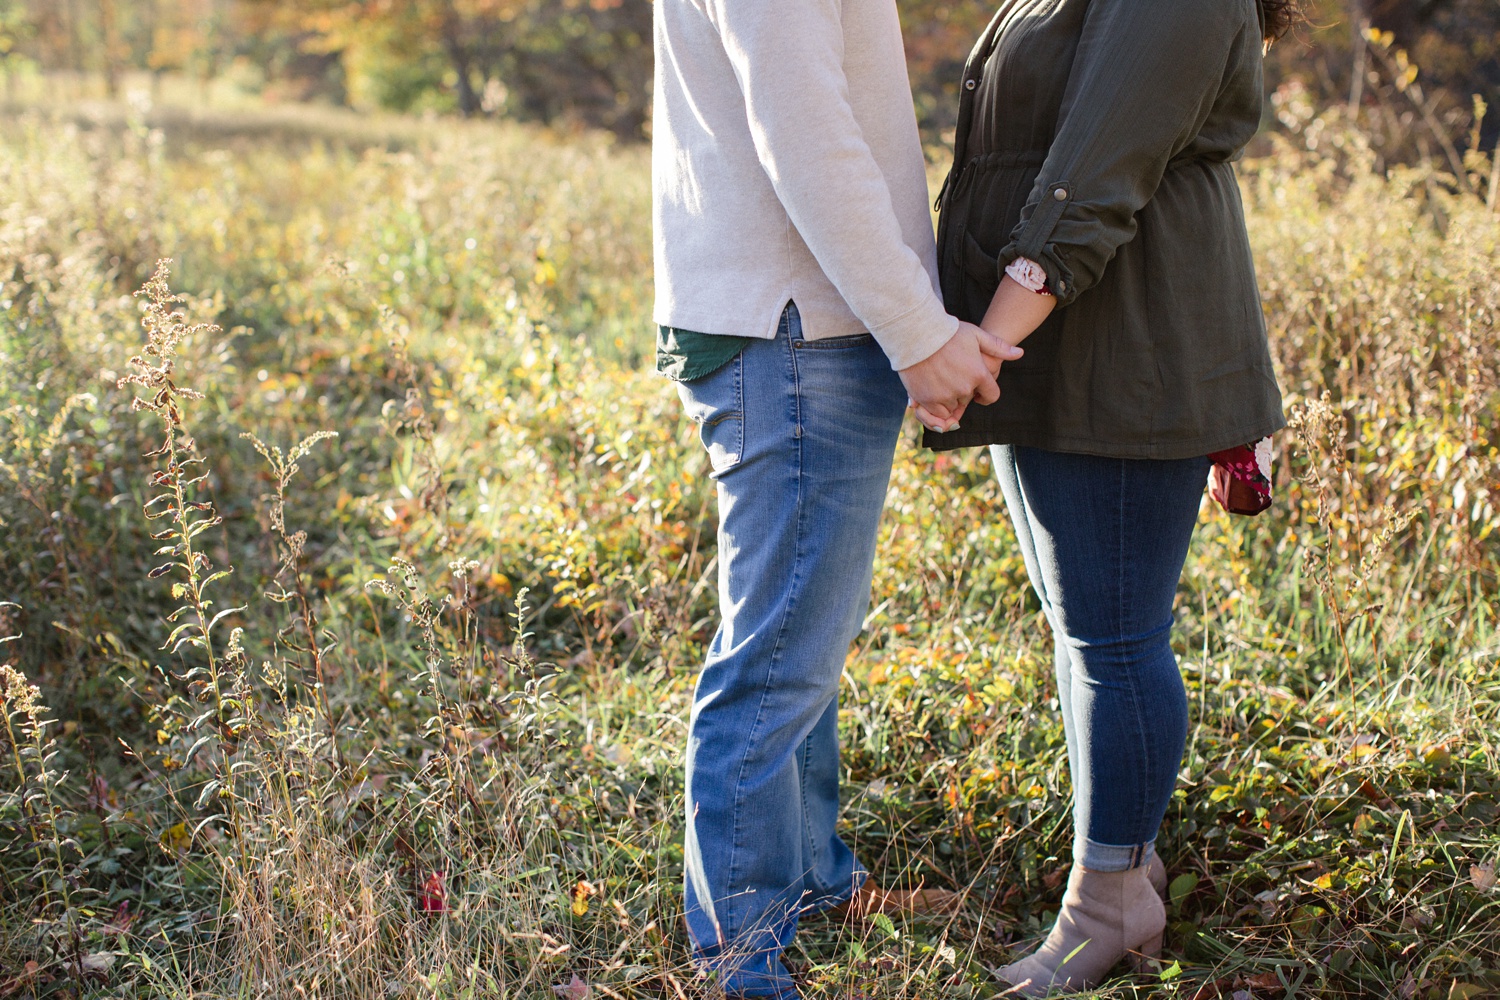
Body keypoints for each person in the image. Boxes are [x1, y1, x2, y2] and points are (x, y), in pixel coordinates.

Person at [923, 0, 1300, 994]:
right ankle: (1125, 856)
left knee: (1114, 638)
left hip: (1125, 352)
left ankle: (1110, 903)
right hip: (1064, 346)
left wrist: (986, 346)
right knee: (1084, 631)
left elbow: (1091, 178)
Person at [651, 1, 1025, 996]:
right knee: (778, 655)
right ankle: (740, 956)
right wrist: (918, 330)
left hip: (791, 316)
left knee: (800, 639)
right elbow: (806, 137)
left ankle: (808, 881)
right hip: (796, 324)